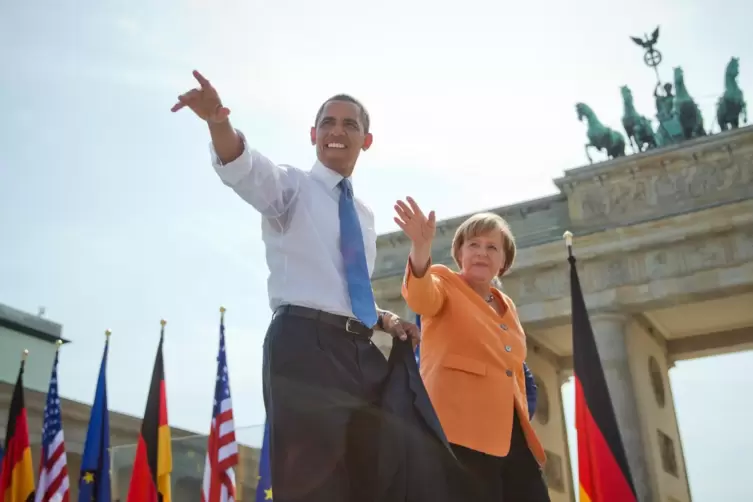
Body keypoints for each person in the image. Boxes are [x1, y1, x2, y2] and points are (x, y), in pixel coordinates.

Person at [171, 71, 419, 502]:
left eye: (349, 124)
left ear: (367, 140)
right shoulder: (291, 188)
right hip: (305, 347)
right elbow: (244, 169)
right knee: (314, 486)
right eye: (328, 123)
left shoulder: (363, 215)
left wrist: (384, 318)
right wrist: (217, 122)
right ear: (313, 134)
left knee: (380, 473)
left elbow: (343, 291)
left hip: (360, 352)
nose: (337, 131)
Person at [395, 197, 550, 502]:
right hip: (460, 434)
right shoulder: (444, 283)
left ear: (504, 261)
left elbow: (513, 371)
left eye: (492, 247)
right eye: (473, 244)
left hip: (512, 438)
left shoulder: (508, 306)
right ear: (459, 254)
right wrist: (421, 248)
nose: (482, 252)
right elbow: (421, 298)